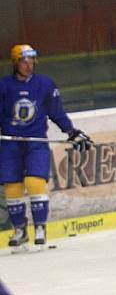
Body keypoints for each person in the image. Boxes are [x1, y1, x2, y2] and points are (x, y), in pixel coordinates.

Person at [0, 44, 93, 250]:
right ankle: (20, 230)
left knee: (34, 182)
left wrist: (72, 132)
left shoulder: (45, 84)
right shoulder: (3, 86)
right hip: (10, 144)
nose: (29, 65)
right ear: (15, 63)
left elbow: (56, 113)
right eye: (24, 61)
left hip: (36, 142)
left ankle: (40, 227)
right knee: (13, 187)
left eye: (32, 60)